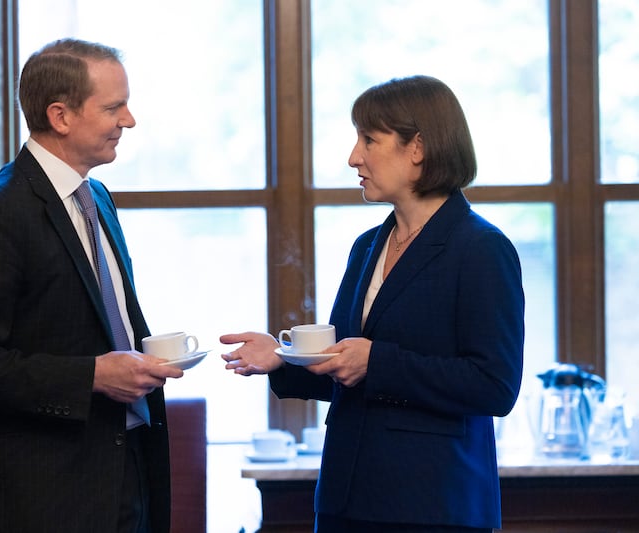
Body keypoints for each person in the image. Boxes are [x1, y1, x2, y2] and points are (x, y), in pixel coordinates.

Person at [221, 75, 524, 532]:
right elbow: (345, 369)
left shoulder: (481, 249)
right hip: (346, 500)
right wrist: (281, 360)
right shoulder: (368, 246)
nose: (353, 157)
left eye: (369, 139)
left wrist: (376, 361)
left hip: (433, 506)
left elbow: (495, 386)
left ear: (417, 147)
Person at [0, 38, 184, 533]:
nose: (128, 121)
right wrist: (92, 375)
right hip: (45, 497)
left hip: (125, 474)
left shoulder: (98, 197)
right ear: (61, 116)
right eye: (114, 107)